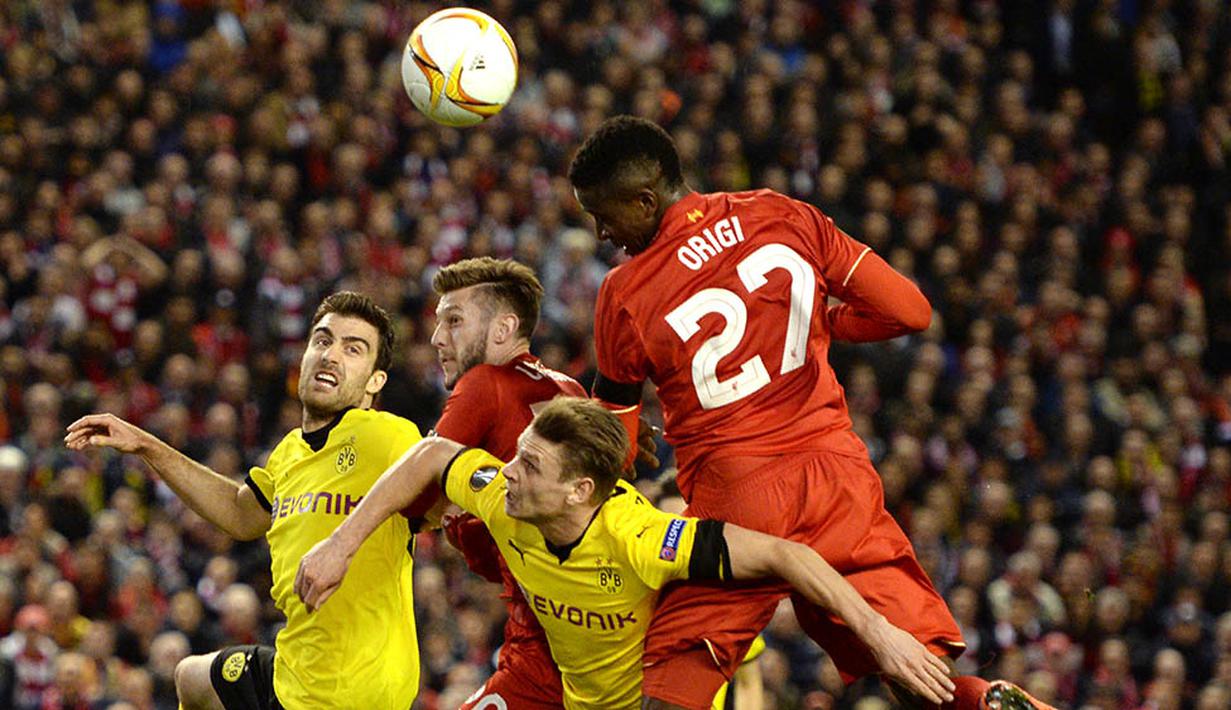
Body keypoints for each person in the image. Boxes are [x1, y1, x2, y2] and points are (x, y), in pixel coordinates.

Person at [568, 116, 1054, 710]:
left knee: (670, 690)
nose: (600, 232)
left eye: (603, 214)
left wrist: (621, 435)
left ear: (645, 200)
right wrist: (824, 323)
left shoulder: (625, 291)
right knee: (921, 674)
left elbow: (609, 438)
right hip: (837, 480)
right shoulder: (782, 213)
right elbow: (910, 311)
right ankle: (982, 701)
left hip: (736, 499)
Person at [293, 397, 956, 709]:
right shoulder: (505, 496)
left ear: (580, 490)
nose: (507, 472)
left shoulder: (641, 538)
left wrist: (880, 635)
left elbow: (789, 556)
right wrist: (340, 543)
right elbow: (434, 456)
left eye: (528, 464)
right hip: (563, 693)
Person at [65, 292, 423, 710]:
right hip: (295, 673)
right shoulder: (289, 452)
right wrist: (145, 445)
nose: (331, 355)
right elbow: (240, 513)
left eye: (353, 348)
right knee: (192, 678)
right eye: (323, 341)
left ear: (375, 381)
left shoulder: (387, 436)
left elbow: (437, 473)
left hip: (354, 692)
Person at [409, 256, 587, 708]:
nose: (437, 338)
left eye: (454, 320)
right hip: (593, 626)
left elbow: (415, 500)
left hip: (542, 644)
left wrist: (455, 523)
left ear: (503, 329)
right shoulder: (572, 389)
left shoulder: (484, 383)